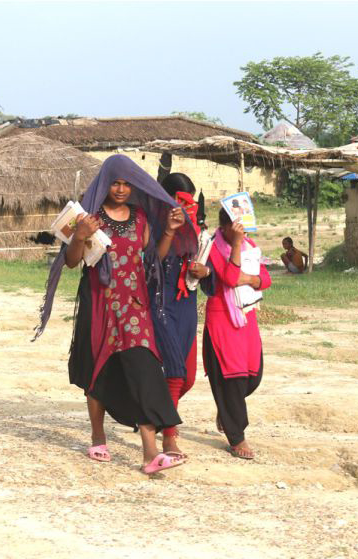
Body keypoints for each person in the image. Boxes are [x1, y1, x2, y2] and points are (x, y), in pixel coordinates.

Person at [33, 154, 197, 475]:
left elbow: (152, 259)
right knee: (98, 369)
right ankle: (98, 436)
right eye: (115, 183)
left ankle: (150, 454)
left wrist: (169, 232)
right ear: (105, 184)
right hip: (100, 303)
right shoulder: (88, 217)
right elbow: (72, 261)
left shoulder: (140, 218)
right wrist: (80, 235)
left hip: (135, 307)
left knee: (145, 370)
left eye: (126, 183)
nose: (121, 189)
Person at [201, 208, 271, 459]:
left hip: (247, 317)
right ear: (224, 227)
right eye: (236, 225)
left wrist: (250, 279)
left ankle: (226, 409)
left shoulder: (251, 246)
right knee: (232, 378)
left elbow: (265, 279)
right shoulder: (214, 248)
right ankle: (237, 437)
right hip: (222, 318)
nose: (241, 230)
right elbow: (230, 278)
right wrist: (237, 246)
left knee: (253, 376)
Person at [149, 173, 210, 455]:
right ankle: (169, 437)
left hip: (187, 305)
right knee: (175, 371)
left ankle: (154, 415)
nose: (187, 206)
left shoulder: (198, 229)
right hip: (161, 302)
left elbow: (209, 268)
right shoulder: (153, 224)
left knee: (188, 379)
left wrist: (205, 271)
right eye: (181, 200)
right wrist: (170, 230)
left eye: (189, 201)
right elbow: (152, 262)